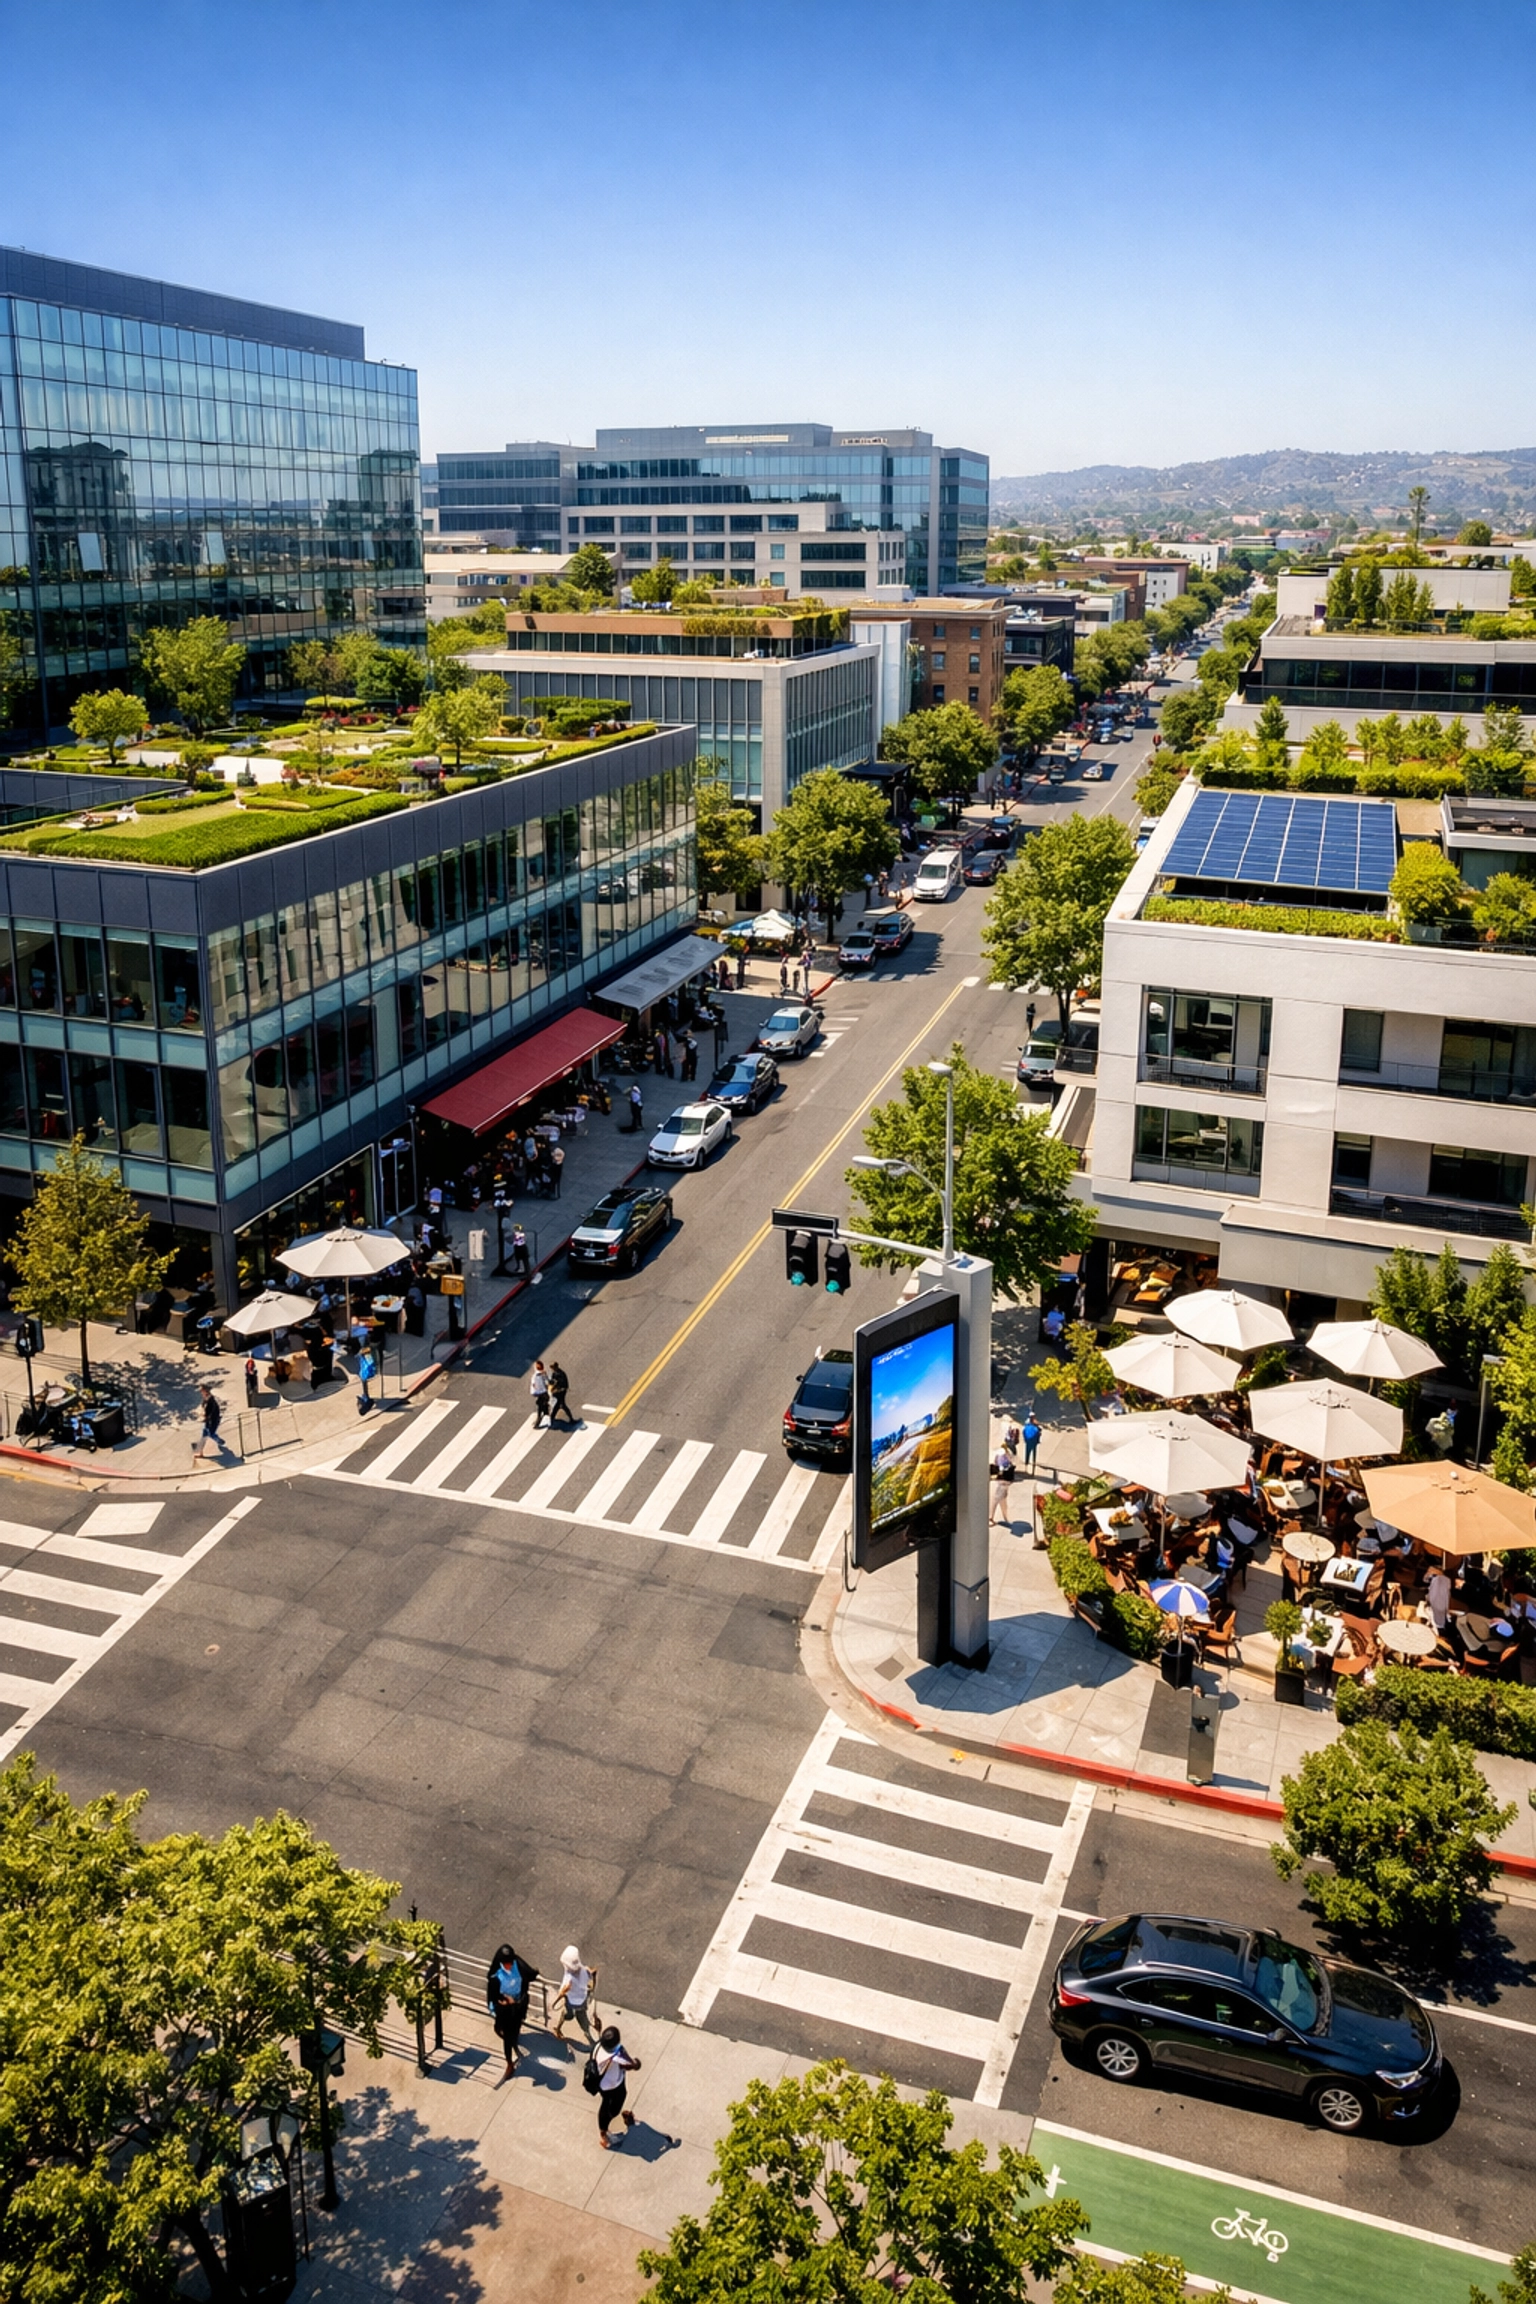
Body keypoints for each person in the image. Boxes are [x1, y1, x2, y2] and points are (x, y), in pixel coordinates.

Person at [486, 1943, 537, 2081]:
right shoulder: (496, 1975)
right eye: (505, 1963)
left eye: (510, 1962)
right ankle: (510, 2055)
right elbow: (492, 1993)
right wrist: (497, 2004)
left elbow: (530, 1974)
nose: (509, 1966)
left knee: (513, 2031)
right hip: (504, 2008)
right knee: (503, 2032)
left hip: (518, 2006)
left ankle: (510, 2054)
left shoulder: (518, 1966)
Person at [592, 2026, 640, 2148]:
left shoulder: (598, 2046)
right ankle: (604, 2132)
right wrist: (636, 2063)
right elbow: (631, 2065)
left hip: (604, 2083)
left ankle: (613, 2119)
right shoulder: (616, 2054)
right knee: (611, 2108)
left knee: (614, 2100)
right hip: (612, 2086)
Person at [552, 1945, 598, 2046]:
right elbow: (592, 1977)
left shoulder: (569, 1979)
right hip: (582, 1999)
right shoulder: (585, 1970)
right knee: (582, 2017)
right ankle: (587, 2033)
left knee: (566, 2014)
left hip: (571, 2001)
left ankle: (558, 2029)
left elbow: (562, 1992)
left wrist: (558, 1998)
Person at [193, 1384, 221, 1461]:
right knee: (205, 1434)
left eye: (202, 1391)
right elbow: (204, 1408)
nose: (201, 1392)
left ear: (206, 1391)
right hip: (210, 1421)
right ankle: (200, 1452)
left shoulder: (211, 1401)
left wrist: (205, 1416)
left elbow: (211, 1412)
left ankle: (219, 1441)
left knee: (210, 1434)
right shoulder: (206, 1399)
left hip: (213, 1421)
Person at [990, 1445, 1016, 1525]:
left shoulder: (998, 1456)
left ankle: (1004, 1517)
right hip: (1005, 1480)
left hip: (1000, 1479)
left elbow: (995, 1464)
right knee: (997, 1499)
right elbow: (1012, 1462)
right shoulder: (1007, 1455)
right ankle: (990, 1517)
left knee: (1002, 1499)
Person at [357, 1344, 377, 1415]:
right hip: (365, 1373)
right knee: (364, 1383)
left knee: (364, 1382)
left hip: (366, 1373)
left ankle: (366, 1399)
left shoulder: (367, 1355)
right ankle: (366, 1397)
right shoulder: (365, 1355)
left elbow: (370, 1364)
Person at [530, 1360, 551, 1427]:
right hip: (543, 1392)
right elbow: (547, 1382)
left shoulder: (535, 1375)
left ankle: (539, 1420)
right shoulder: (543, 1374)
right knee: (542, 1405)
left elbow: (533, 1384)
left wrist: (537, 1388)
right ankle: (543, 1416)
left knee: (540, 1405)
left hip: (539, 1393)